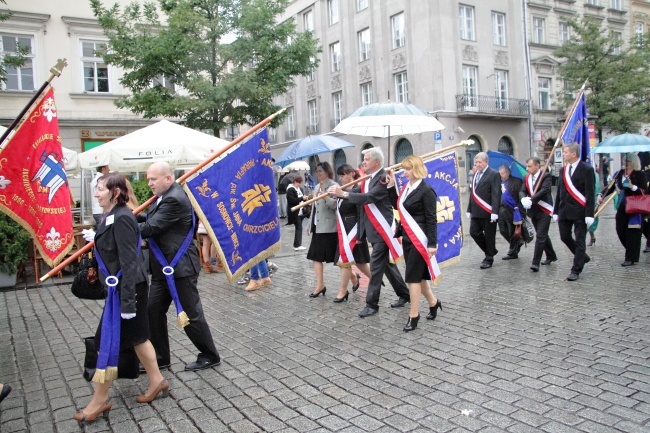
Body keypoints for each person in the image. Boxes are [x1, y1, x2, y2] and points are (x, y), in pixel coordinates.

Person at [74, 173, 167, 424]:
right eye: (96, 189)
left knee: (105, 342)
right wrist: (99, 240)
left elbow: (129, 261)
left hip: (127, 291)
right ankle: (157, 380)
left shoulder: (123, 216)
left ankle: (100, 399)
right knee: (138, 338)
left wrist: (127, 304)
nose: (96, 193)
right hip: (123, 291)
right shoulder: (113, 215)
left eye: (101, 189)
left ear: (115, 192)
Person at [138, 162, 220, 372]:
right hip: (163, 269)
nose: (150, 183)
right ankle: (161, 357)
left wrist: (119, 224)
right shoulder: (164, 196)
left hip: (179, 267)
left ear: (168, 178)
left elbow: (151, 227)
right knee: (153, 310)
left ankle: (210, 355)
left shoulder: (174, 198)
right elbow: (151, 218)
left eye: (153, 179)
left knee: (191, 314)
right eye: (148, 179)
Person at [328, 147, 410, 318]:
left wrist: (343, 193)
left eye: (366, 159)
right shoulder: (369, 178)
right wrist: (340, 194)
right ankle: (404, 294)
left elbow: (369, 197)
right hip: (373, 229)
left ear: (376, 162)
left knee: (377, 266)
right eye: (363, 159)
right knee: (387, 265)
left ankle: (372, 304)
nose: (363, 162)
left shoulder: (382, 178)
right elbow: (357, 192)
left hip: (382, 229)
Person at [386, 156, 442, 332]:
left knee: (412, 278)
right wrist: (390, 185)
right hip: (408, 239)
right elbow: (398, 206)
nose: (404, 172)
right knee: (418, 277)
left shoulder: (426, 190)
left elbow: (432, 219)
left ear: (416, 169)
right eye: (403, 169)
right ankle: (433, 302)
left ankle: (414, 315)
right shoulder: (407, 188)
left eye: (408, 169)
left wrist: (432, 244)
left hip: (421, 240)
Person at [552, 144, 595, 281]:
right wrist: (555, 211)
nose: (563, 154)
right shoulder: (563, 170)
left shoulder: (587, 170)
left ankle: (576, 270)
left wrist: (589, 214)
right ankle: (582, 256)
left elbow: (590, 193)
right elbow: (560, 191)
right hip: (564, 210)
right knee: (564, 237)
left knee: (580, 240)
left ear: (574, 154)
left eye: (565, 152)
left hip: (579, 211)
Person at [597, 153, 648, 266]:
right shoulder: (619, 174)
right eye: (624, 160)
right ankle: (632, 251)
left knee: (633, 233)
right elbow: (610, 187)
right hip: (622, 207)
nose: (625, 163)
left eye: (628, 161)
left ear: (633, 162)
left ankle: (630, 258)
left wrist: (632, 187)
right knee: (620, 230)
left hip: (635, 208)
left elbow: (645, 191)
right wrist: (601, 194)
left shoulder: (639, 175)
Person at [332, 164, 371, 302]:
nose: (341, 178)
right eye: (339, 175)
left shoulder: (357, 190)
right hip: (344, 232)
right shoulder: (340, 190)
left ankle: (374, 281)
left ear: (351, 174)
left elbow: (361, 214)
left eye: (343, 175)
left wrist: (360, 234)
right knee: (345, 262)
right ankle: (346, 288)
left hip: (354, 233)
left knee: (358, 263)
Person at [306, 162, 339, 298]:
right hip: (318, 228)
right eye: (317, 171)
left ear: (327, 171)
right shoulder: (316, 187)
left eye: (320, 171)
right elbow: (314, 208)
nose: (318, 173)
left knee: (337, 259)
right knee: (316, 257)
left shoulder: (333, 185)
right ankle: (320, 285)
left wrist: (325, 196)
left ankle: (354, 277)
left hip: (329, 228)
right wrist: (309, 225)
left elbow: (335, 205)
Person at [519, 157, 558, 272]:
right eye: (527, 166)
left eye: (530, 166)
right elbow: (522, 190)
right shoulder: (526, 178)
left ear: (537, 165)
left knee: (540, 236)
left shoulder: (545, 176)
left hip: (545, 209)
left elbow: (544, 190)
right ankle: (551, 255)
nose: (527, 168)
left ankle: (535, 263)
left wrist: (531, 199)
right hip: (533, 211)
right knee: (543, 235)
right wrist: (523, 199)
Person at [466, 152, 501, 269]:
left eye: (480, 162)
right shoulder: (476, 174)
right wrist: (469, 209)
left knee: (490, 235)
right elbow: (472, 193)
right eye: (476, 162)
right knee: (474, 232)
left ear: (486, 162)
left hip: (488, 211)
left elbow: (496, 194)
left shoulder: (494, 174)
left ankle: (489, 258)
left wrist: (495, 212)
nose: (477, 164)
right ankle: (490, 250)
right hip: (476, 211)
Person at [497, 165, 524, 260]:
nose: (501, 175)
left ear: (508, 172)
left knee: (512, 230)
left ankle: (512, 252)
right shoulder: (498, 182)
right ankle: (517, 244)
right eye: (500, 173)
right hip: (501, 209)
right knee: (503, 230)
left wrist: (520, 209)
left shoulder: (516, 181)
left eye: (503, 173)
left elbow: (520, 195)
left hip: (512, 209)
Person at [286, 175, 307, 251]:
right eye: (298, 183)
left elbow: (302, 198)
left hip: (301, 211)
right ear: (294, 182)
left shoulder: (300, 189)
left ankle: (297, 244)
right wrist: (301, 198)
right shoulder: (290, 190)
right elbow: (291, 200)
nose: (299, 184)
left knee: (299, 227)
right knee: (299, 227)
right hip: (294, 212)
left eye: (300, 183)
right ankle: (297, 245)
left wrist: (305, 199)